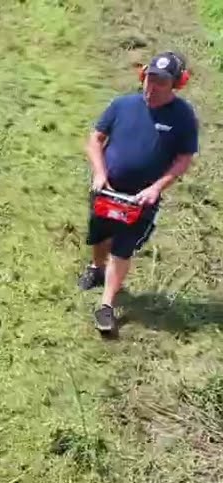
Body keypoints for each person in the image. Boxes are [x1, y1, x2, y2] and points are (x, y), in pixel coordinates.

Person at [78, 50, 199, 332]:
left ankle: (106, 306)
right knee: (100, 235)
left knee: (122, 248)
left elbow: (184, 157)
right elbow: (95, 140)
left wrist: (157, 187)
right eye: (149, 79)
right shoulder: (122, 105)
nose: (151, 88)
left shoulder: (183, 117)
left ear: (177, 84)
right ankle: (97, 269)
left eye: (161, 83)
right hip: (107, 190)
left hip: (140, 200)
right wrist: (99, 173)